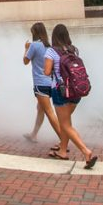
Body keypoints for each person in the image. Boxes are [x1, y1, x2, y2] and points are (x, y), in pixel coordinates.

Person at [46, 24, 97, 169]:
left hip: (60, 91)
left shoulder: (51, 51)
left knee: (65, 125)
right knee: (65, 123)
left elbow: (47, 71)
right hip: (76, 91)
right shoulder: (73, 49)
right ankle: (62, 151)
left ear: (54, 36)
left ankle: (86, 152)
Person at [21, 22, 64, 157]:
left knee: (49, 111)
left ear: (35, 32)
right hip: (51, 82)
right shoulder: (49, 46)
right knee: (40, 109)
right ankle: (34, 134)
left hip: (40, 84)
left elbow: (25, 61)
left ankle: (64, 140)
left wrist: (25, 48)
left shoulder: (34, 45)